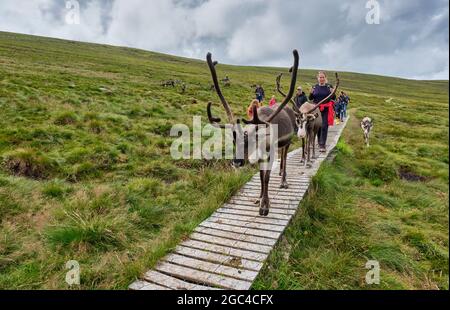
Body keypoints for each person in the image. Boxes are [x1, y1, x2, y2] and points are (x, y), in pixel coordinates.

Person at [309, 71, 336, 152]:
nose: (321, 79)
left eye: (323, 77)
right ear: (318, 78)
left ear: (325, 78)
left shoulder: (328, 87)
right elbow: (310, 98)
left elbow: (333, 98)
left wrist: (332, 92)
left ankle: (322, 144)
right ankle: (319, 141)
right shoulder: (315, 87)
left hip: (326, 109)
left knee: (324, 126)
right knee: (318, 126)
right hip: (317, 109)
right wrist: (310, 93)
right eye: (320, 77)